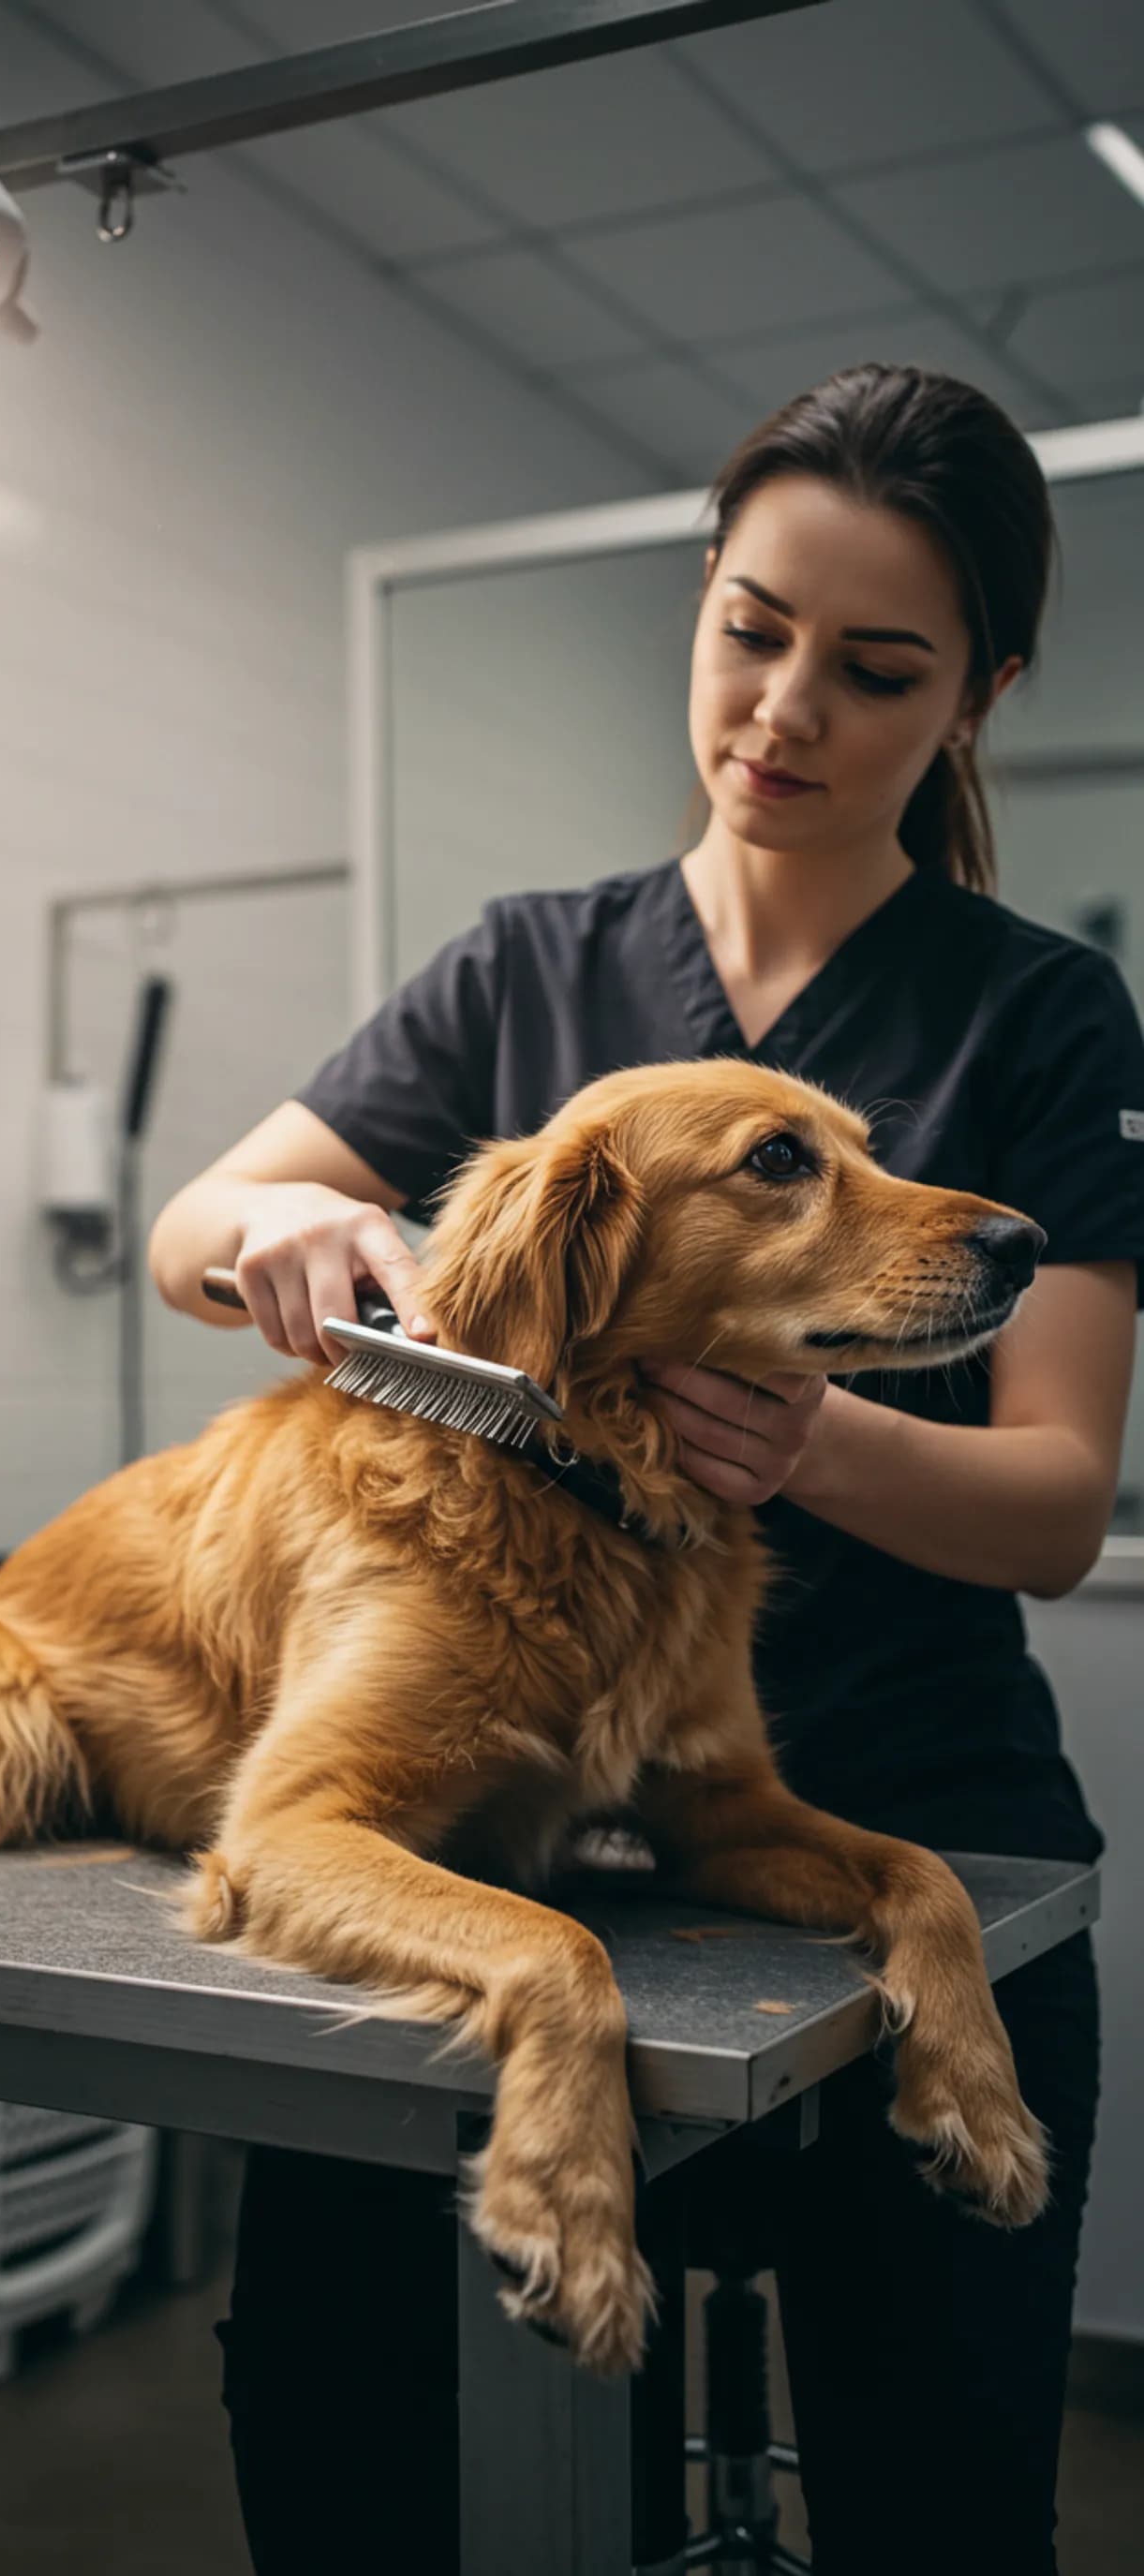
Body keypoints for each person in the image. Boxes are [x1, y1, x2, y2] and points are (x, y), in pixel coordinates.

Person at [148, 363, 1144, 2576]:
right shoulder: (525, 968)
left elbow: (1062, 1498)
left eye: (877, 669)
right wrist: (281, 1233)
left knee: (941, 2492)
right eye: (752, 629)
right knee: (345, 2417)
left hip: (895, 1815)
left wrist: (819, 1437)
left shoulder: (1044, 1016)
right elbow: (189, 1228)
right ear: (703, 599)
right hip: (510, 1830)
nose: (786, 708)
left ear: (980, 695)